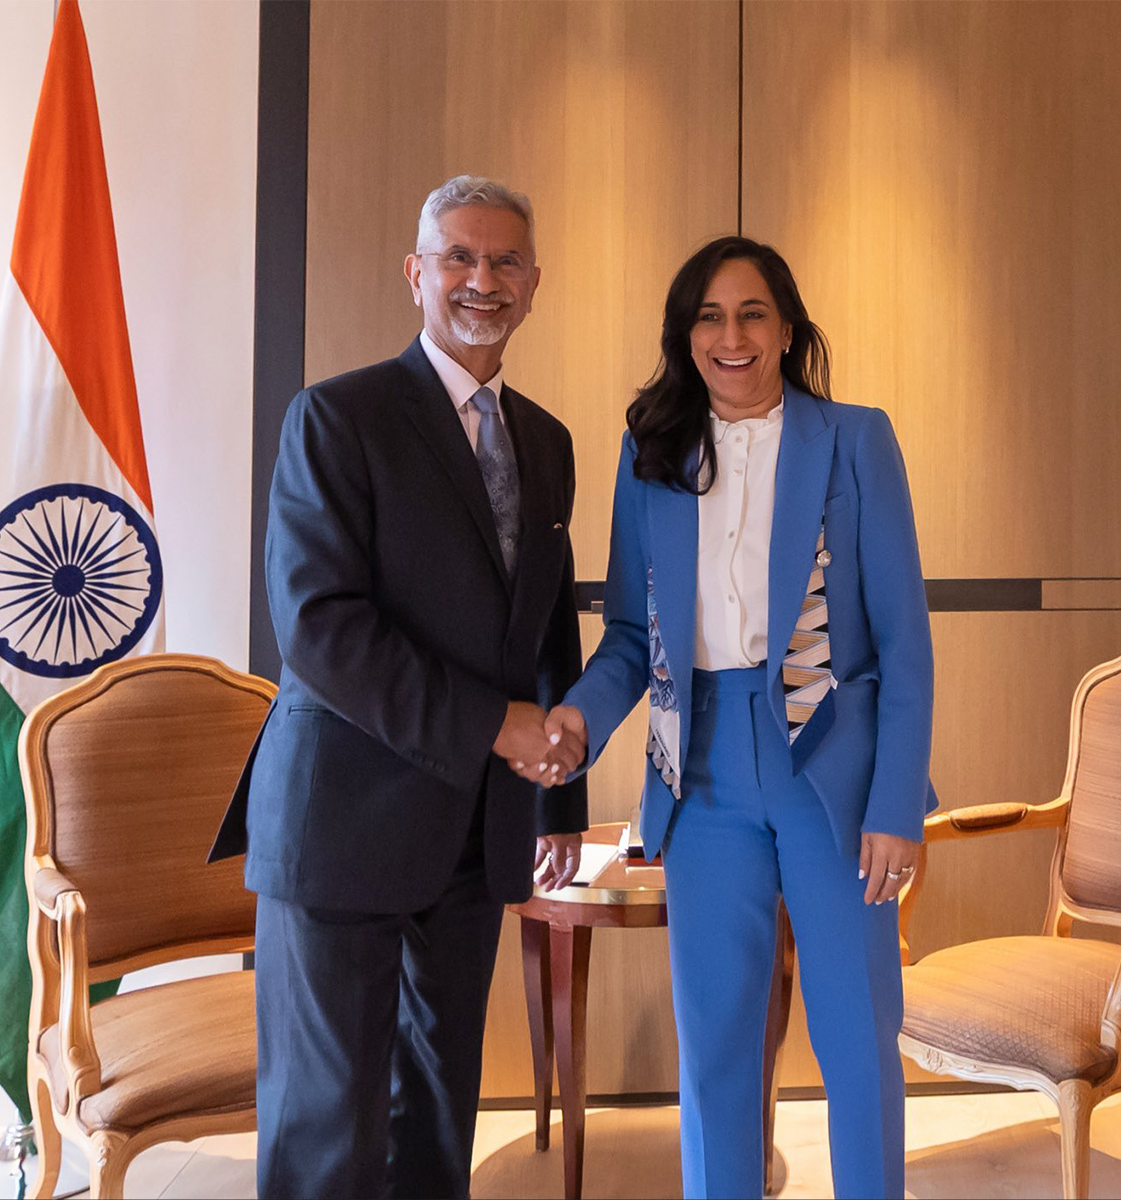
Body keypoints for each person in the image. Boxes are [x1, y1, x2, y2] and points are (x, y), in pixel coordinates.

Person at [210, 175, 589, 1200]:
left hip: (476, 834)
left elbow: (544, 622)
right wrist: (497, 726)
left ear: (533, 283)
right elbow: (322, 634)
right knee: (328, 1130)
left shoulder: (546, 443)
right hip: (342, 826)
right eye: (458, 258)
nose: (481, 279)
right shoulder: (336, 418)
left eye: (504, 260)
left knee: (437, 1117)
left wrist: (557, 796)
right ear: (415, 274)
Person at [543, 236, 935, 1199]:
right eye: (709, 317)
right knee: (715, 1039)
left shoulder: (854, 438)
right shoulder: (653, 459)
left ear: (787, 327)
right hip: (701, 771)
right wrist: (576, 722)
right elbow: (634, 639)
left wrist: (897, 804)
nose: (732, 336)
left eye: (752, 313)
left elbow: (904, 638)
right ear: (685, 337)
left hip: (830, 767)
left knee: (855, 1035)